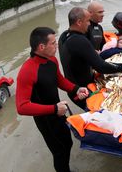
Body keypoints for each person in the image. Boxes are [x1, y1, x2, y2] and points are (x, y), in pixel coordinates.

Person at [16, 27, 89, 172]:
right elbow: (22, 107)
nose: (57, 46)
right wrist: (54, 109)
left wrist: (76, 89)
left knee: (67, 142)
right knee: (59, 151)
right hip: (46, 119)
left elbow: (59, 80)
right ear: (42, 47)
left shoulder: (52, 60)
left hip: (58, 111)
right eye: (54, 43)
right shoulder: (27, 70)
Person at [58, 7, 122, 109]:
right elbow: (101, 67)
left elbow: (76, 60)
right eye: (87, 21)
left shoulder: (64, 36)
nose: (89, 24)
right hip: (83, 91)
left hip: (73, 88)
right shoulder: (79, 41)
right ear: (79, 22)